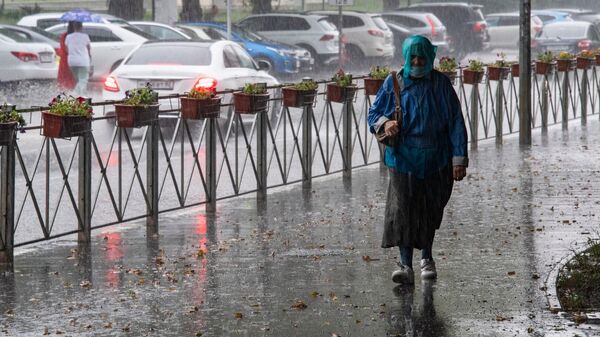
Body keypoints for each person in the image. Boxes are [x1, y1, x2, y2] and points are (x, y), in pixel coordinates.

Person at [367, 35, 468, 284]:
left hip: (436, 161)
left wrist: (458, 159)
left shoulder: (441, 85)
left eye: (421, 57)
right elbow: (374, 113)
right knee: (404, 211)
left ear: (429, 58)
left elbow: (456, 121)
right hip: (403, 160)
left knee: (430, 210)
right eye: (412, 56)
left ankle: (427, 257)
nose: (417, 61)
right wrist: (386, 122)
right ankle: (404, 264)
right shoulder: (394, 83)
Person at [64, 21, 91, 96]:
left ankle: (82, 96)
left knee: (78, 80)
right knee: (83, 80)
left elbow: (66, 49)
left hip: (72, 61)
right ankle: (74, 95)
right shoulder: (85, 36)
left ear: (74, 27)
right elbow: (88, 48)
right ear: (81, 27)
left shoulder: (68, 37)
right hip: (83, 61)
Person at [57, 21, 75, 91]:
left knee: (64, 77)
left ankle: (64, 90)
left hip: (64, 59)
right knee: (70, 77)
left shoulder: (64, 35)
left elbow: (63, 46)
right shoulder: (72, 36)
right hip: (70, 58)